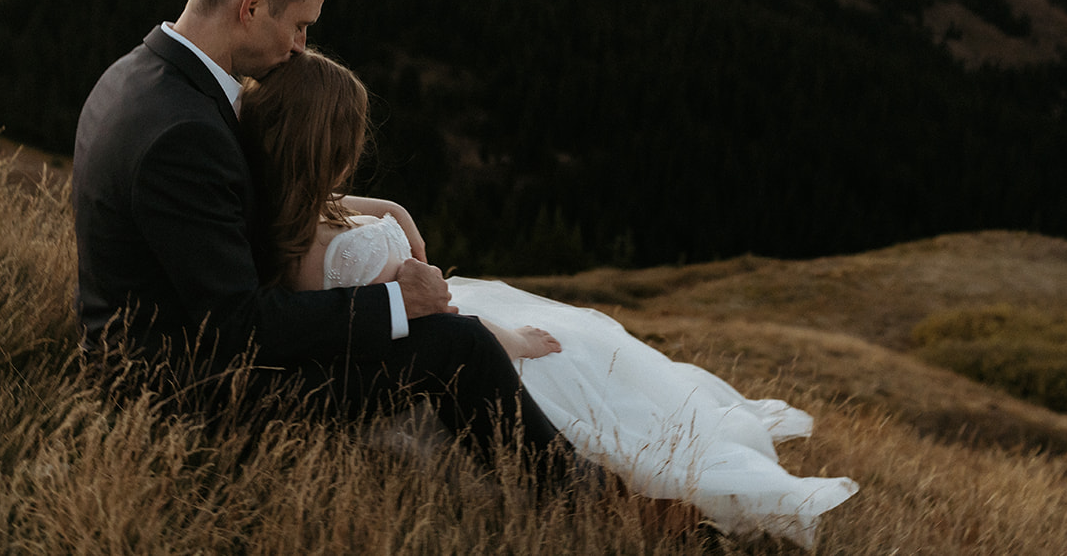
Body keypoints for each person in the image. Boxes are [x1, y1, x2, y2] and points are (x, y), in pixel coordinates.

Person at [239, 48, 860, 549]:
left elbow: (329, 217)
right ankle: (621, 503)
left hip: (422, 326)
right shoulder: (321, 256)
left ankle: (631, 487)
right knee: (562, 359)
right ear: (327, 145)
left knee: (584, 348)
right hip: (429, 340)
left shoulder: (295, 216)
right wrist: (504, 339)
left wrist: (389, 209)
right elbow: (417, 325)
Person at [70, 0, 581, 480]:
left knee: (451, 335)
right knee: (456, 346)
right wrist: (396, 303)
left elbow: (231, 222)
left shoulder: (135, 75)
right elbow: (239, 325)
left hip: (164, 354)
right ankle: (589, 503)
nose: (300, 47)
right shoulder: (184, 132)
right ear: (252, 6)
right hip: (185, 396)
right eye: (299, 25)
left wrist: (381, 213)